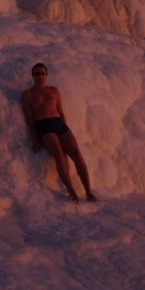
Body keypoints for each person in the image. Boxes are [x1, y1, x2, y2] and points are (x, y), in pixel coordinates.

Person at [21, 63, 97, 203]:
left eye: (42, 73)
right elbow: (29, 118)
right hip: (43, 125)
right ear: (32, 76)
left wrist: (65, 129)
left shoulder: (54, 91)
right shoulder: (28, 95)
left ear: (47, 75)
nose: (40, 76)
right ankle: (71, 191)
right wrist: (35, 138)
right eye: (37, 74)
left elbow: (60, 112)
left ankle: (88, 192)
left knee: (75, 152)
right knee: (58, 153)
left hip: (59, 124)